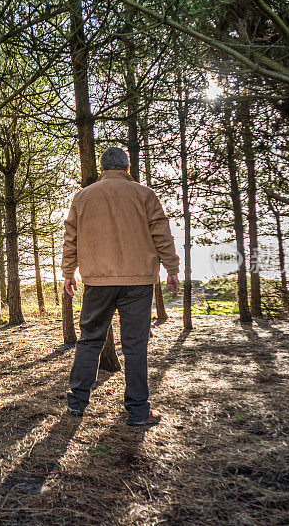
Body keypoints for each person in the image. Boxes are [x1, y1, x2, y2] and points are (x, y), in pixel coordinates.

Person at [62, 146, 180, 426]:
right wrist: (172, 269)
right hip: (138, 281)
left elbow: (71, 237)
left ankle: (77, 405)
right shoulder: (145, 194)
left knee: (89, 341)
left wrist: (68, 272)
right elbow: (162, 233)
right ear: (127, 168)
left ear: (102, 169)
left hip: (97, 281)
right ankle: (138, 412)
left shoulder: (83, 197)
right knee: (135, 346)